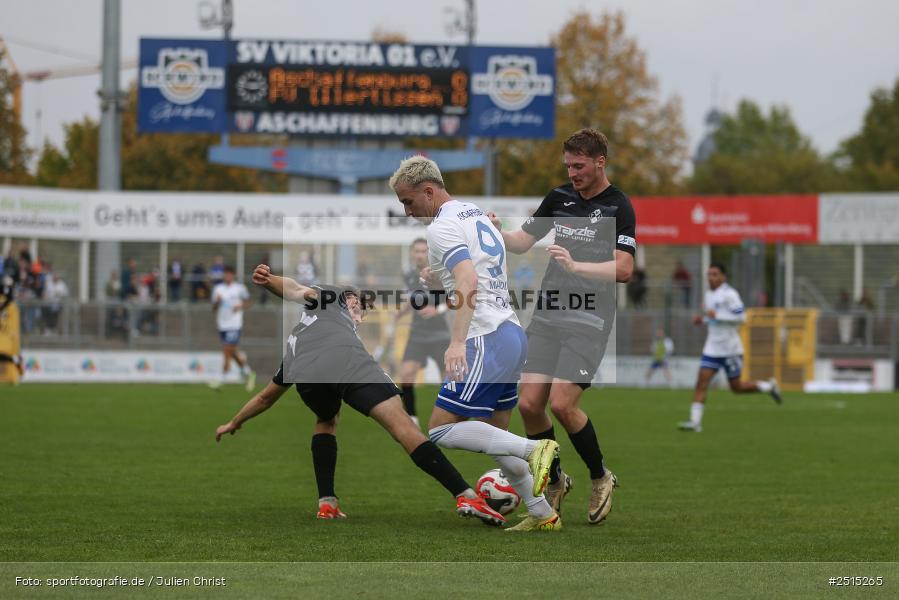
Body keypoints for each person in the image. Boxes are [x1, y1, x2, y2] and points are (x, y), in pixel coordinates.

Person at [216, 264, 508, 524]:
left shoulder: (295, 344)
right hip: (346, 360)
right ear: (351, 300)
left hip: (306, 376)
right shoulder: (333, 297)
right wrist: (271, 281)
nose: (361, 317)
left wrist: (235, 422)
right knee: (403, 427)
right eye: (361, 309)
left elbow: (265, 397)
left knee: (326, 419)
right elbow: (295, 289)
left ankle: (327, 504)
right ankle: (465, 494)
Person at [391, 156, 562, 532]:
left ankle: (536, 449)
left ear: (429, 191)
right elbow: (477, 271)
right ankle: (541, 514)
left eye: (409, 201)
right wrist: (439, 277)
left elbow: (468, 282)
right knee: (495, 436)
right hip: (511, 333)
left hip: (483, 336)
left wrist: (456, 344)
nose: (408, 211)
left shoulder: (440, 228)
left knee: (438, 430)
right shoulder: (474, 213)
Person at [489, 128, 635, 525]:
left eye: (579, 165)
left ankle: (601, 476)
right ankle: (555, 480)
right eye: (568, 165)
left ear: (599, 161)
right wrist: (495, 231)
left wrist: (576, 265)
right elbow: (521, 242)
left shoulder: (618, 205)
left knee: (562, 404)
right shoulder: (559, 198)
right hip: (549, 313)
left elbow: (624, 268)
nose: (572, 172)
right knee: (529, 404)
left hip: (590, 317)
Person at [678, 263, 782, 432]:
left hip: (731, 349)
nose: (711, 277)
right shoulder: (709, 295)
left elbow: (742, 318)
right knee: (701, 383)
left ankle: (769, 387)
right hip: (712, 348)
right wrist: (703, 320)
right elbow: (715, 320)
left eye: (715, 274)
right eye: (709, 274)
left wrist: (717, 315)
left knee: (737, 387)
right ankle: (695, 423)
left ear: (723, 277)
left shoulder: (730, 294)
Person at [398, 238, 451, 426]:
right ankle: (412, 418)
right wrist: (401, 312)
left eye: (423, 251)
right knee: (406, 374)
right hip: (417, 333)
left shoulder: (439, 272)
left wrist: (438, 310)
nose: (420, 254)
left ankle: (446, 417)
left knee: (447, 378)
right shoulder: (409, 274)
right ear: (412, 253)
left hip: (439, 333)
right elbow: (412, 297)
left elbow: (456, 298)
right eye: (417, 251)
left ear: (428, 253)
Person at [209, 266, 256, 392]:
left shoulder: (239, 288)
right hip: (222, 325)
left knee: (227, 350)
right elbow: (213, 309)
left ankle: (221, 379)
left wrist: (240, 306)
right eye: (226, 274)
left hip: (234, 324)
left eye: (230, 274)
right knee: (233, 352)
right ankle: (248, 373)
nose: (227, 277)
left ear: (233, 275)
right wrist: (217, 302)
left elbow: (249, 302)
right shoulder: (218, 289)